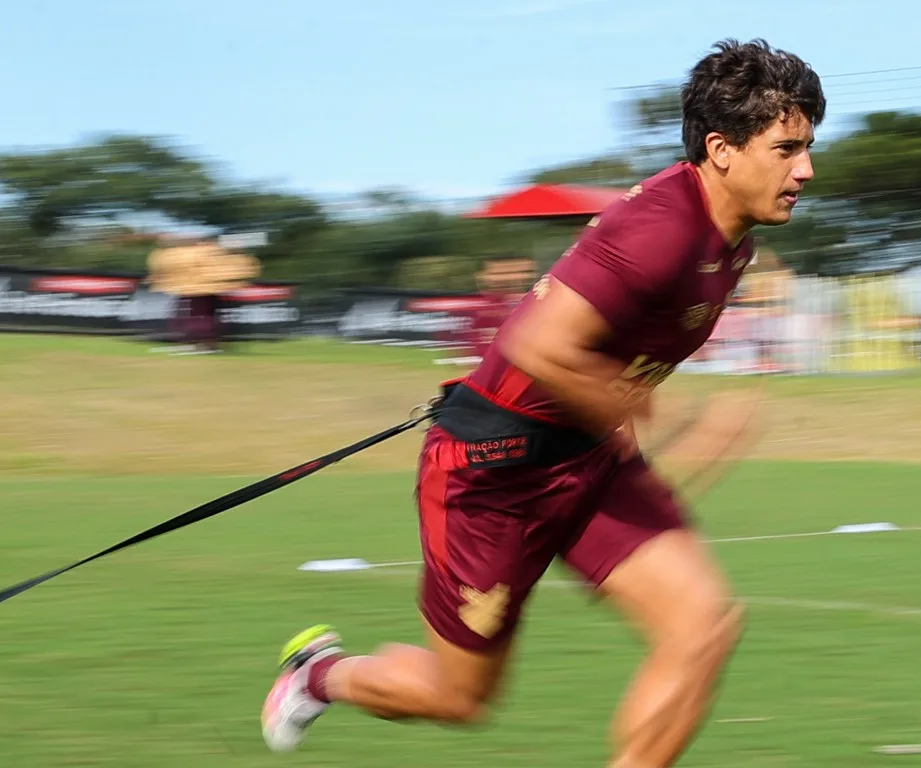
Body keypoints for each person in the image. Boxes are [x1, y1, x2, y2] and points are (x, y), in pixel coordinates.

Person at [262, 38, 825, 767]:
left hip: (588, 460)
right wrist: (647, 414)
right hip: (492, 472)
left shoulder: (732, 240)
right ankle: (319, 675)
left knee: (704, 626)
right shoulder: (660, 230)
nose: (805, 170)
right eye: (787, 149)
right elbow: (537, 346)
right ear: (721, 148)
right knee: (457, 697)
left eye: (808, 148)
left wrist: (627, 421)